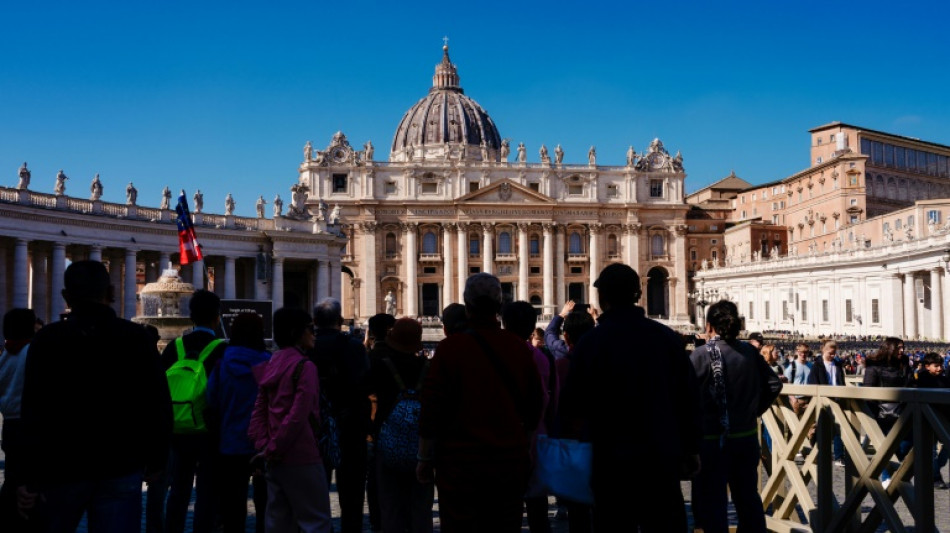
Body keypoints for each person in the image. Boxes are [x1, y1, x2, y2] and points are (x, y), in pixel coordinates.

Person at [17, 260, 172, 532]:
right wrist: (157, 459)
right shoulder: (136, 337)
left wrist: (26, 476)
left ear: (66, 296)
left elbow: (32, 411)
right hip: (121, 463)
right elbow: (157, 402)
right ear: (111, 292)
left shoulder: (47, 340)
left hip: (62, 466)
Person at [560, 263, 701, 532]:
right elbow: (688, 398)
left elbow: (572, 405)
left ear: (602, 297)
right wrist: (691, 448)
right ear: (638, 294)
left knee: (614, 524)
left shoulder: (591, 343)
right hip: (660, 456)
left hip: (609, 458)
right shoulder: (667, 338)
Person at [417, 273, 543, 532]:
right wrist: (524, 448)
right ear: (500, 305)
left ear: (466, 303)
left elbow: (431, 409)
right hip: (508, 462)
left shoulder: (449, 349)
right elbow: (535, 407)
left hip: (459, 466)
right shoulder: (520, 349)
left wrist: (424, 458)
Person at [689, 300, 782, 533]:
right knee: (748, 499)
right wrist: (754, 410)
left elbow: (684, 399)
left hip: (711, 442)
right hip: (746, 437)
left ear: (709, 326)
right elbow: (773, 384)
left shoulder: (699, 356)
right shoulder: (749, 352)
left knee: (713, 503)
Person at [249, 307, 332, 533]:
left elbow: (259, 410)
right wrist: (273, 447)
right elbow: (298, 416)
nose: (314, 334)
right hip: (301, 453)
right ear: (297, 332)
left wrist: (264, 446)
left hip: (274, 458)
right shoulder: (306, 367)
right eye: (310, 329)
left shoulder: (273, 361)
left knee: (278, 522)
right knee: (316, 521)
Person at [158, 289, 229, 533]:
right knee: (208, 489)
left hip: (178, 428)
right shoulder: (222, 349)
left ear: (191, 317)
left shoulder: (173, 347)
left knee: (178, 487)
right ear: (216, 317)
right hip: (210, 429)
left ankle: (173, 528)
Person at [309, 298, 371, 533]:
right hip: (351, 424)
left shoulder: (307, 347)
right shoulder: (354, 346)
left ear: (315, 321)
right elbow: (365, 382)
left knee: (314, 494)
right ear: (341, 320)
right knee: (353, 494)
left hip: (316, 427)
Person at [206, 312, 271, 533]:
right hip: (263, 443)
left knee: (232, 504)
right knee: (266, 503)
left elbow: (211, 400)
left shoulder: (222, 363)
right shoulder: (268, 363)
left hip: (230, 441)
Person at [368, 318, 433, 533]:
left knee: (391, 505)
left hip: (388, 441)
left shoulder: (380, 364)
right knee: (420, 505)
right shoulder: (427, 367)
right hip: (420, 444)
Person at [501, 301, 556, 533]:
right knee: (537, 507)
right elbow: (551, 402)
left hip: (501, 442)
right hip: (537, 439)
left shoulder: (496, 354)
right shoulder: (542, 358)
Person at [0, 308, 36, 530]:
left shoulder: (6, 354)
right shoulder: (30, 352)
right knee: (24, 478)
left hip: (9, 425)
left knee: (13, 475)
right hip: (26, 423)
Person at [864, 336, 913, 487]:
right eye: (898, 348)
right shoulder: (874, 367)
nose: (902, 350)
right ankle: (886, 477)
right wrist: (872, 415)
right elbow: (868, 390)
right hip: (883, 413)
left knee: (906, 444)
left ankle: (888, 470)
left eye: (902, 347)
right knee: (886, 446)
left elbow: (911, 384)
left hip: (904, 410)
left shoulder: (905, 365)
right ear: (889, 349)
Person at [364, 313, 397, 533]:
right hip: (398, 425)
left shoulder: (367, 358)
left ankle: (377, 519)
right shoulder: (404, 359)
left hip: (373, 425)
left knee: (374, 478)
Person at [806, 339, 846, 466]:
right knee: (822, 427)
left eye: (834, 353)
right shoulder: (817, 365)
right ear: (823, 350)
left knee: (838, 427)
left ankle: (839, 456)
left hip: (837, 399)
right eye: (830, 353)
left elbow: (841, 381)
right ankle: (819, 452)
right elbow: (812, 383)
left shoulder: (837, 364)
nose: (832, 355)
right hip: (823, 399)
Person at [915, 352, 950, 489]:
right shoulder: (921, 379)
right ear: (927, 366)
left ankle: (934, 470)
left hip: (944, 418)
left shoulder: (944, 379)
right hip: (928, 418)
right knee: (932, 450)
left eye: (940, 366)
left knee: (946, 448)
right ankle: (935, 476)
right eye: (936, 366)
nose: (940, 368)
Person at [787, 344, 813, 417]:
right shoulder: (792, 366)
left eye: (806, 352)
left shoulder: (811, 366)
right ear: (797, 352)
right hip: (796, 399)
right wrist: (794, 400)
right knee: (794, 426)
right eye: (801, 352)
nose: (803, 354)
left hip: (809, 399)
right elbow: (786, 384)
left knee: (811, 425)